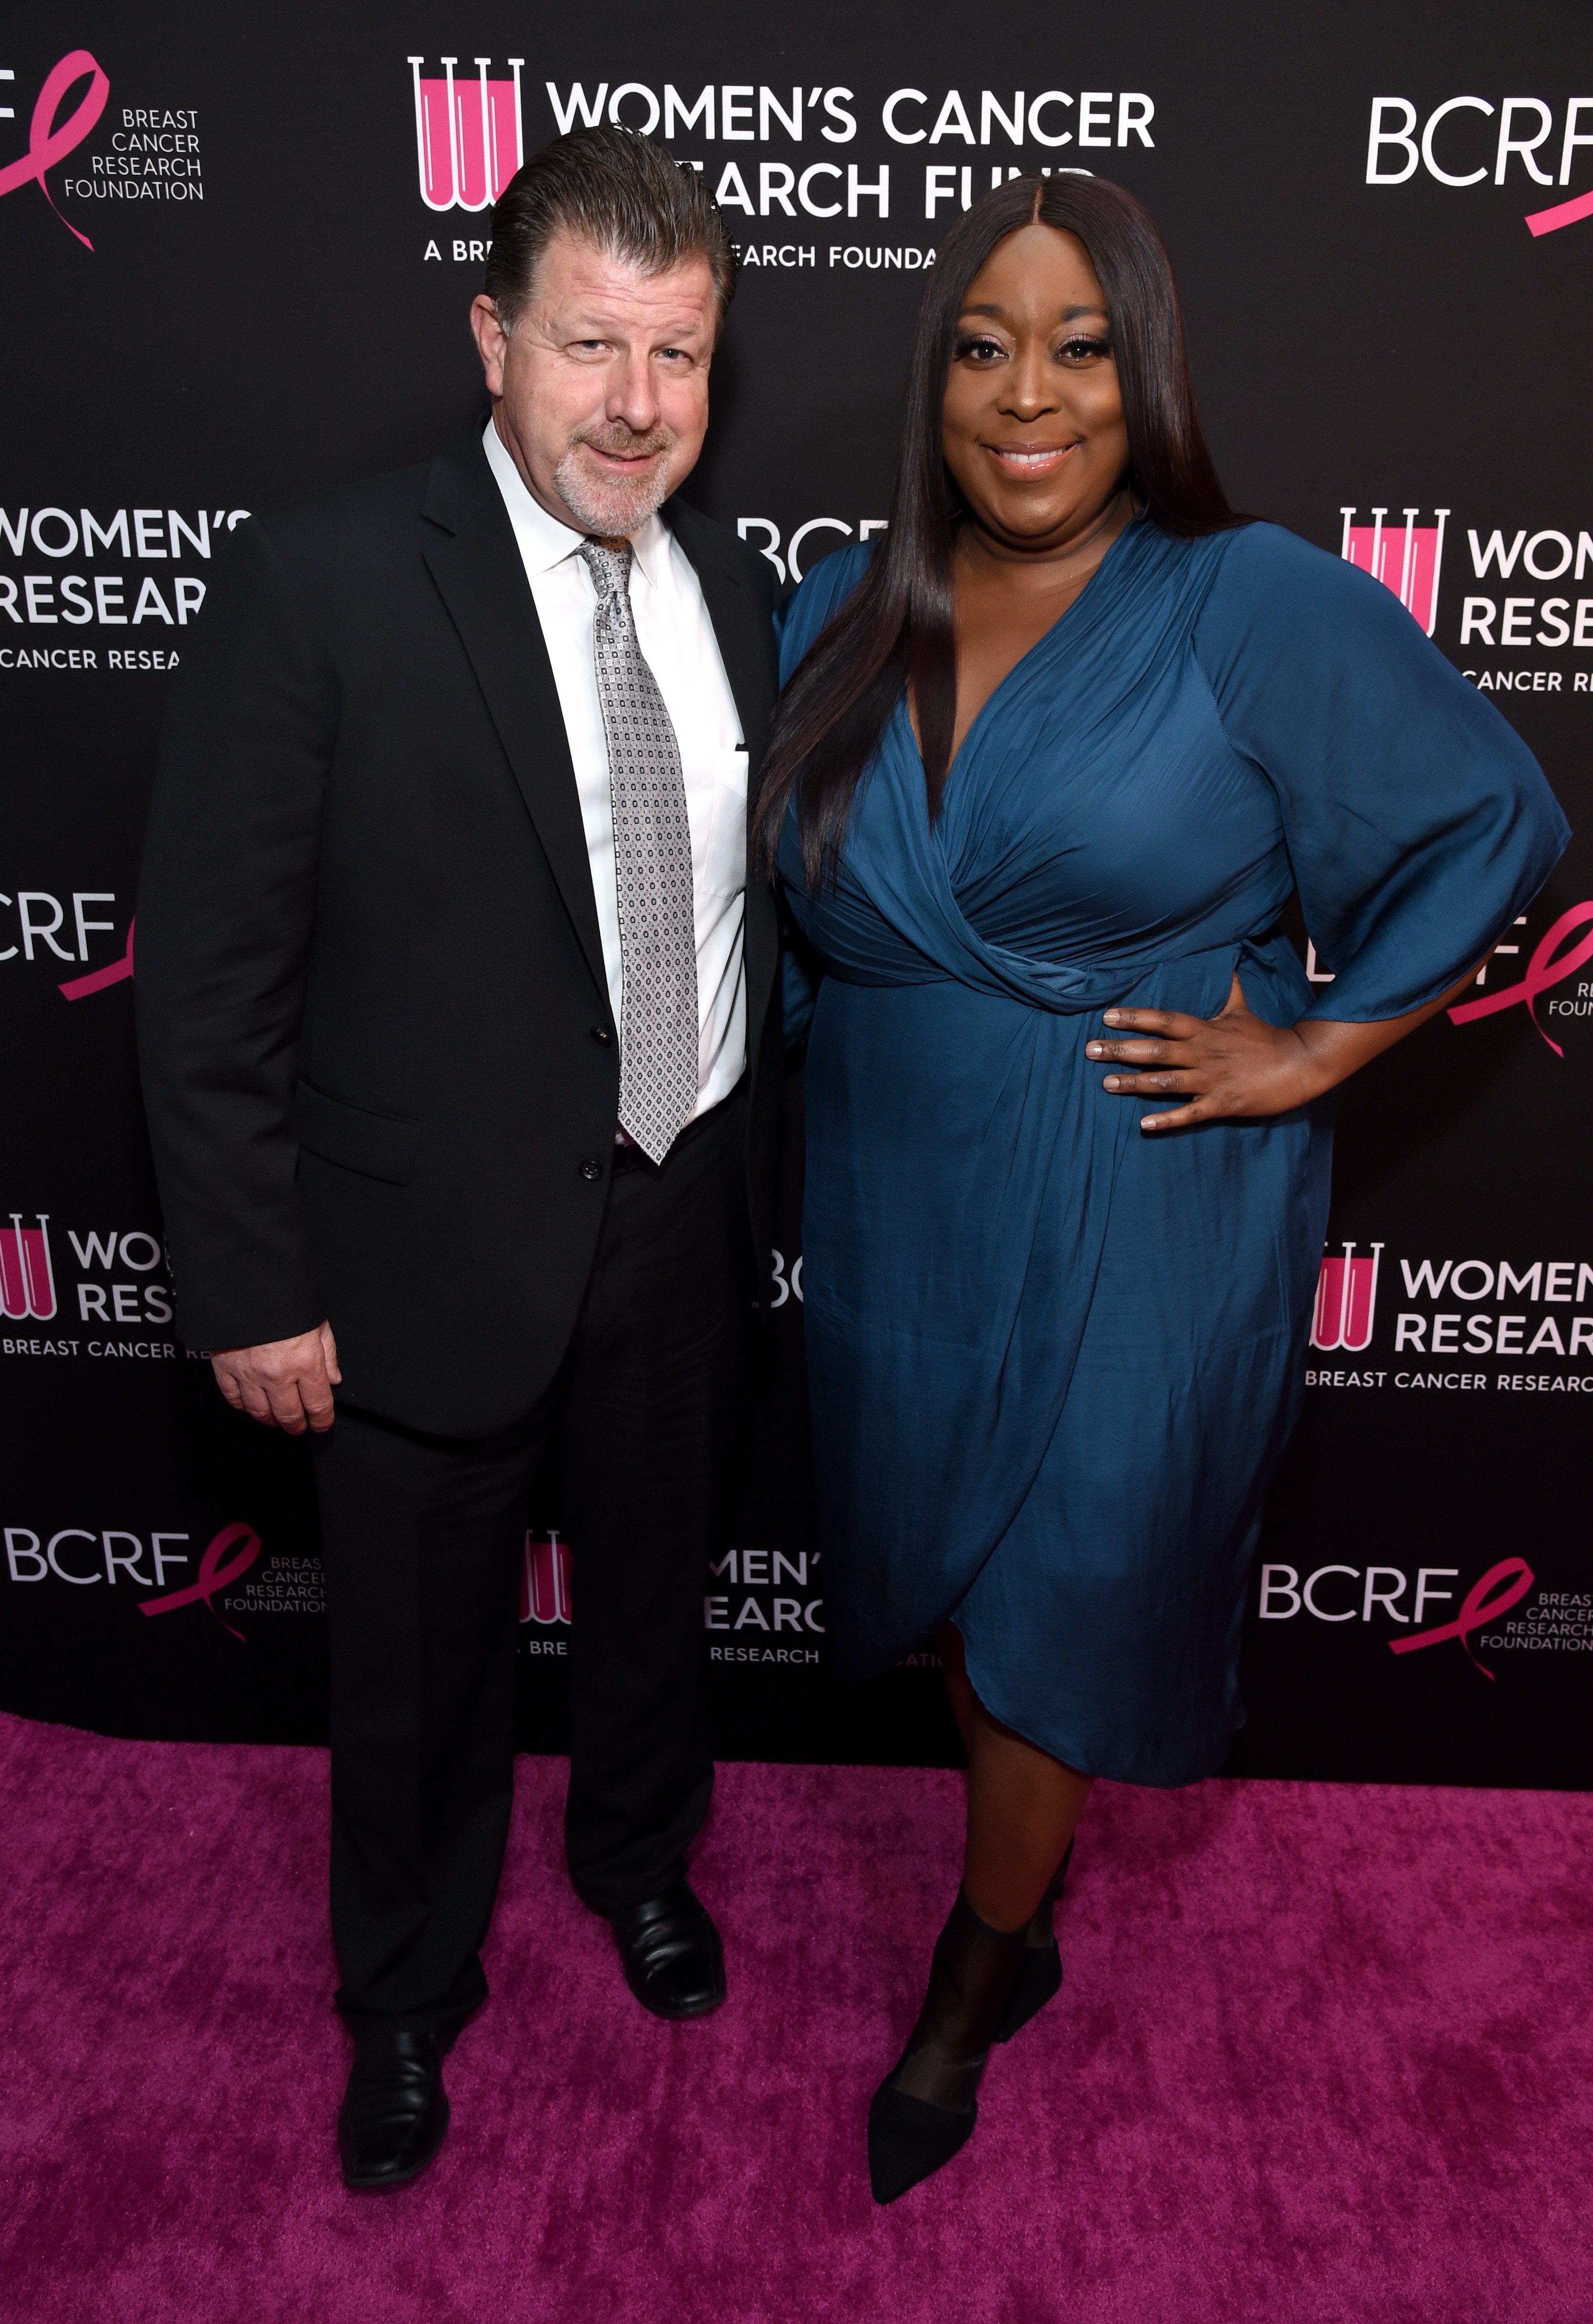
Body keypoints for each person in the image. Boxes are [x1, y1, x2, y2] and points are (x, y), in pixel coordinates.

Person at [756, 173, 1568, 2204]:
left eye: (1080, 343)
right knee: (953, 1590)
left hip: (1141, 1206)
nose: (1028, 392)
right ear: (929, 376)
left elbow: (1494, 813)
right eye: (981, 344)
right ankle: (1008, 1898)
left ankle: (978, 1964)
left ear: (1148, 369)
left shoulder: (1251, 599)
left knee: (1050, 1599)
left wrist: (1312, 1042)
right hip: (891, 1204)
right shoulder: (840, 610)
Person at [136, 128, 781, 2191]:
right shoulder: (324, 577)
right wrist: (248, 1277)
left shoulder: (738, 592)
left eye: (674, 355)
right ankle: (404, 1994)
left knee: (659, 1597)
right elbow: (210, 969)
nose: (633, 402)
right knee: (415, 1661)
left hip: (676, 1211)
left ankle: (637, 1862)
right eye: (591, 343)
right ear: (493, 335)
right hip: (413, 1250)